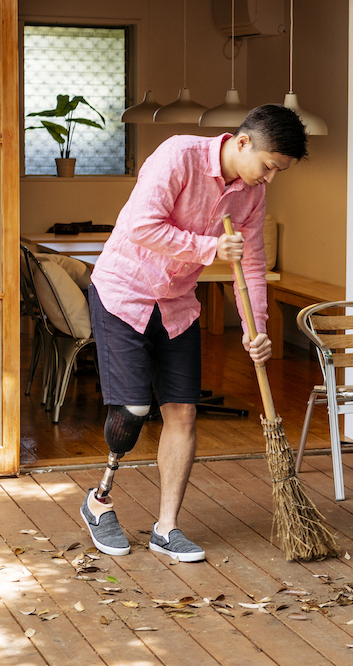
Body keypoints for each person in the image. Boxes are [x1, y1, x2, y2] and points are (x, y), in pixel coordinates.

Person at [80, 104, 308, 562]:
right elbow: (141, 226)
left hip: (177, 304)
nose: (270, 178)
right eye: (268, 166)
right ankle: (99, 500)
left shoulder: (250, 194)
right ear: (243, 142)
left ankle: (167, 527)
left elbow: (253, 265)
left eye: (278, 171)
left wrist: (255, 328)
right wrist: (210, 247)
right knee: (133, 409)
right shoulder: (177, 156)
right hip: (123, 292)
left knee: (183, 413)